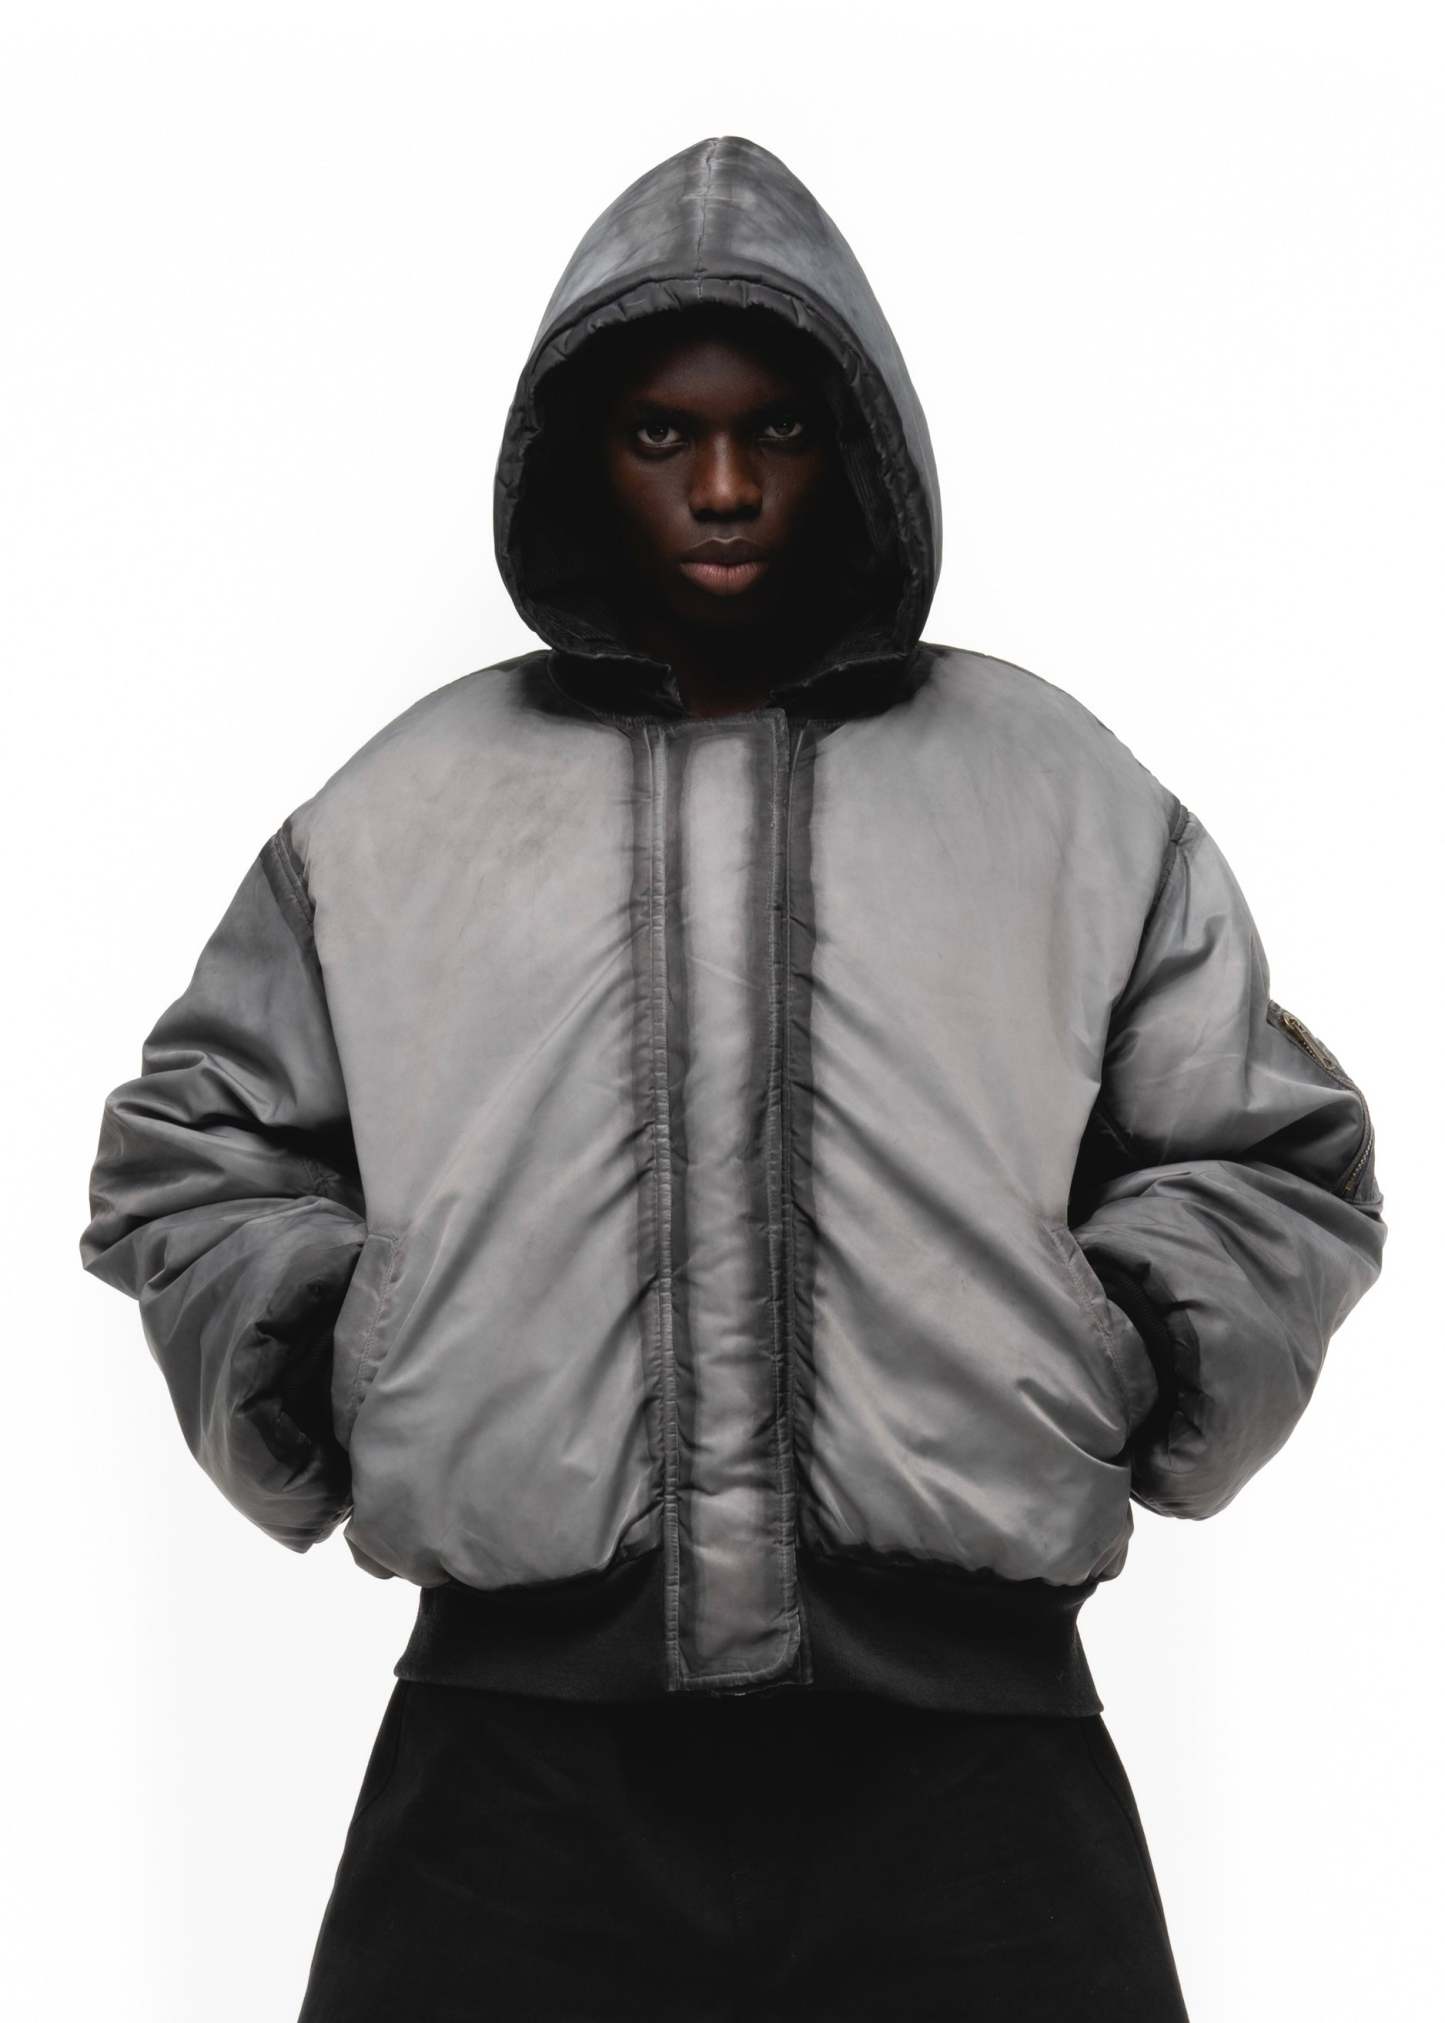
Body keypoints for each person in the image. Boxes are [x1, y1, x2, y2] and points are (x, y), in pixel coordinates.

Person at [78, 134, 1387, 2021]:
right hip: (513, 1760)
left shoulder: (1053, 791)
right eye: (660, 435)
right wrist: (337, 1349)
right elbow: (191, 1154)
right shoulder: (404, 811)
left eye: (774, 429)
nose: (719, 486)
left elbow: (1267, 1156)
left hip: (971, 1759)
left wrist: (1118, 1352)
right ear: (578, 454)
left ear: (854, 445)